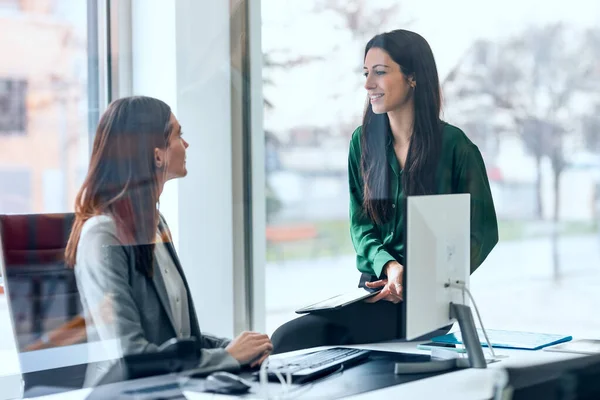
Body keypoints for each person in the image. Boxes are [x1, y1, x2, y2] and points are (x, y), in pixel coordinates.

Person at [271, 29, 498, 354]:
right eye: (366, 74)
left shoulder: (456, 148)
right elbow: (361, 226)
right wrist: (391, 267)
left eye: (380, 72)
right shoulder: (362, 143)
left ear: (413, 77)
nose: (368, 85)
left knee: (290, 338)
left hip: (429, 303)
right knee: (295, 338)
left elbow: (483, 232)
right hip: (375, 287)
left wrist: (427, 279)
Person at [65, 96, 272, 386]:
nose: (185, 145)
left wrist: (234, 348)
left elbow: (179, 338)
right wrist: (228, 357)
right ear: (157, 155)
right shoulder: (103, 235)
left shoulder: (155, 224)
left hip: (173, 387)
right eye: (178, 135)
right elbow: (130, 355)